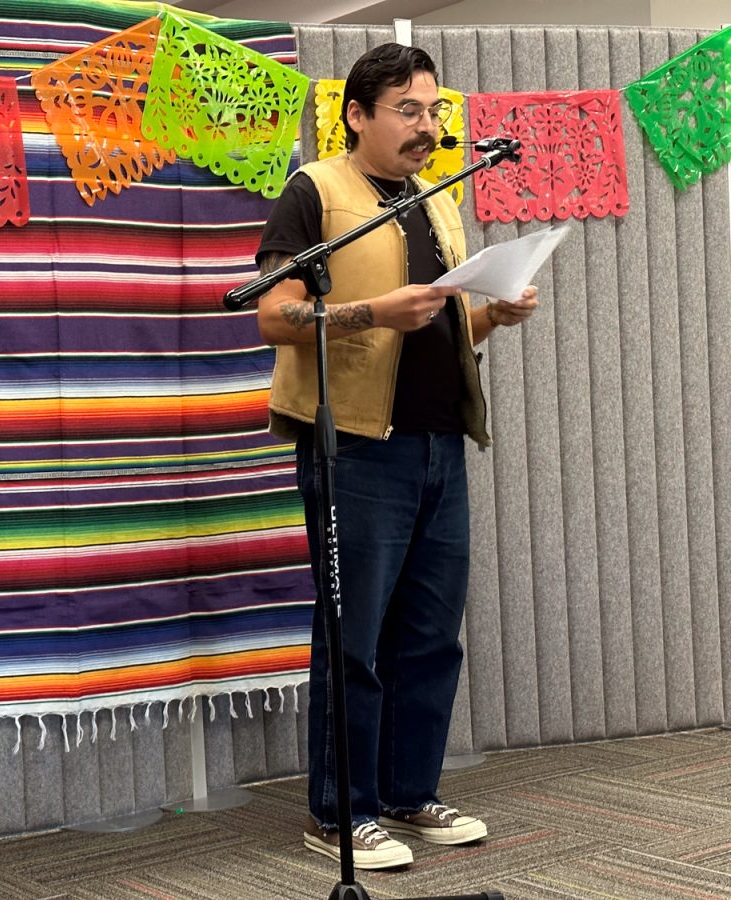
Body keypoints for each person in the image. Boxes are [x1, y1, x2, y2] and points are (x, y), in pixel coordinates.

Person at [255, 43, 539, 870]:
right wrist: (369, 310)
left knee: (430, 635)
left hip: (438, 446)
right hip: (355, 448)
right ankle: (342, 814)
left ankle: (412, 793)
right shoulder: (317, 192)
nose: (427, 128)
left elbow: (443, 326)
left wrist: (493, 317)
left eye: (434, 111)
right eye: (408, 111)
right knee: (355, 639)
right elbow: (276, 317)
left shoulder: (435, 201)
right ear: (357, 114)